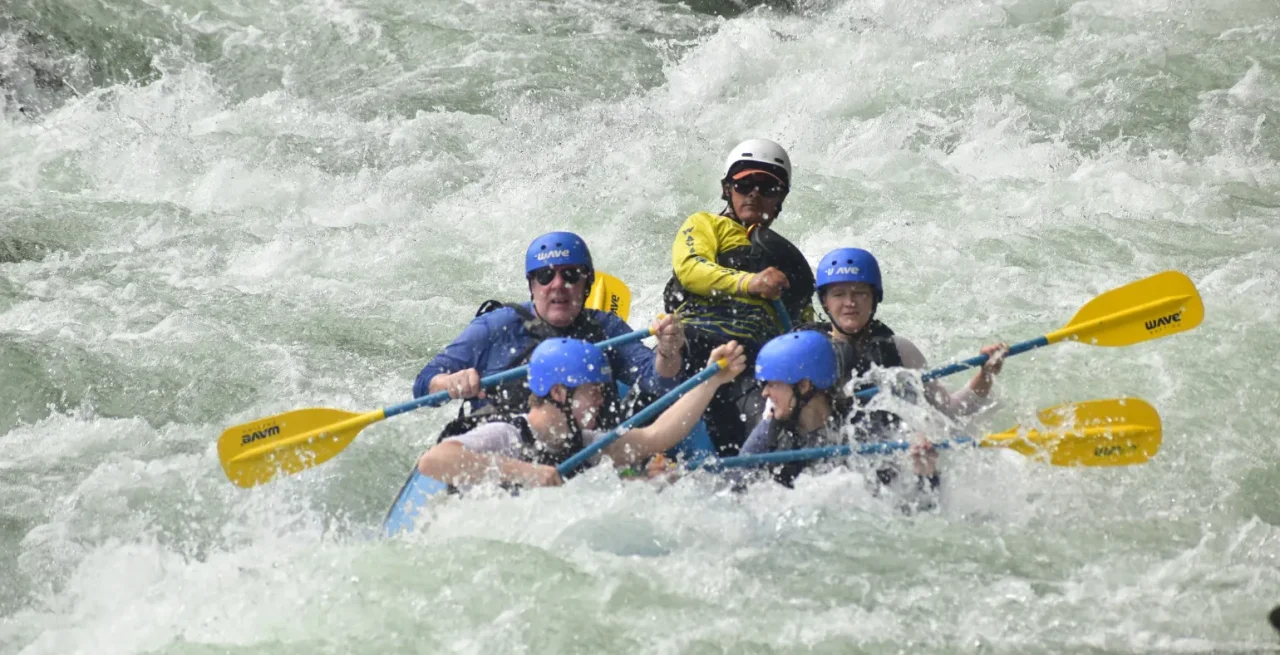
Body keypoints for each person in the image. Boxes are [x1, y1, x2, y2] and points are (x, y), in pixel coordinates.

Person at [413, 231, 686, 430]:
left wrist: (668, 351)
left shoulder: (606, 328)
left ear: (586, 285)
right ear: (532, 286)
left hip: (588, 451)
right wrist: (449, 382)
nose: (557, 284)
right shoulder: (495, 327)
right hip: (508, 448)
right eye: (545, 275)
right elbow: (424, 385)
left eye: (570, 275)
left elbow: (659, 382)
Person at [417, 338, 746, 489]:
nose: (602, 401)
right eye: (593, 391)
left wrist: (712, 381)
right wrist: (526, 472)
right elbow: (433, 461)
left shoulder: (584, 442)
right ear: (559, 393)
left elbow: (655, 437)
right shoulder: (507, 434)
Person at [662, 138, 816, 455]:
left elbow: (798, 331)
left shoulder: (787, 263)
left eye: (767, 187)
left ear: (781, 198)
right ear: (726, 189)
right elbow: (691, 267)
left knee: (785, 435)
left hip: (751, 366)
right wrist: (750, 283)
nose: (755, 194)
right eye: (745, 184)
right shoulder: (707, 224)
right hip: (692, 345)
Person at [807, 247, 1008, 438]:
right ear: (825, 301)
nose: (850, 302)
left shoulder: (900, 349)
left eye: (860, 293)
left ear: (875, 298)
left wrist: (986, 375)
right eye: (839, 294)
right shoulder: (806, 352)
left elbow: (950, 411)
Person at [736, 331, 944, 505]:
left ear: (803, 386)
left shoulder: (866, 428)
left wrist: (926, 474)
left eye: (773, 384)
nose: (765, 394)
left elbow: (911, 512)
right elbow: (735, 485)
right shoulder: (770, 433)